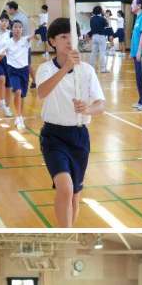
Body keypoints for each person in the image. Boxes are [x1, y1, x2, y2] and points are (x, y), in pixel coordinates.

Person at [36, 17, 105, 227]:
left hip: (79, 136)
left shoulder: (87, 70)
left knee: (74, 195)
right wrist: (65, 68)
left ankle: (68, 230)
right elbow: (41, 92)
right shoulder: (45, 69)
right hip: (53, 137)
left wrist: (87, 109)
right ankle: (63, 233)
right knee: (65, 188)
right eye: (63, 36)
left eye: (72, 36)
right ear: (52, 41)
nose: (68, 41)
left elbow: (101, 105)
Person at [5, 20, 35, 131]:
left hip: (24, 71)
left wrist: (33, 23)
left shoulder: (25, 40)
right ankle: (18, 117)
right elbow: (0, 53)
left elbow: (33, 35)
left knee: (22, 95)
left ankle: (20, 115)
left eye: (19, 27)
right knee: (17, 92)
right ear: (11, 29)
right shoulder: (8, 42)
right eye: (15, 27)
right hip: (12, 70)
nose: (17, 29)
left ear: (22, 29)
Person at [89, 6, 108, 73]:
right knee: (102, 53)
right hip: (101, 37)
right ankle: (103, 69)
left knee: (93, 53)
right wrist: (105, 16)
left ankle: (91, 68)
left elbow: (91, 28)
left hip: (94, 36)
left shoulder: (91, 19)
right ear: (100, 11)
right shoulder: (102, 18)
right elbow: (107, 25)